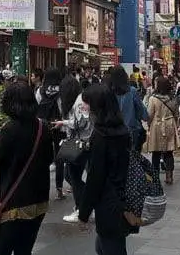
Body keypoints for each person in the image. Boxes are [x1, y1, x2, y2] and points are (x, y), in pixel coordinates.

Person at [0, 82, 53, 255]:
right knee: (25, 249)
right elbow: (49, 158)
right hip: (39, 199)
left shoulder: (9, 129)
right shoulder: (43, 127)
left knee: (1, 250)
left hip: (15, 202)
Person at [78, 84, 135, 255]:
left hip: (107, 202)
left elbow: (95, 177)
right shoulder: (123, 131)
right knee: (107, 245)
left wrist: (84, 213)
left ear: (97, 105)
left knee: (110, 245)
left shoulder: (101, 136)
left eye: (87, 102)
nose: (84, 106)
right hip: (123, 197)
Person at [54, 81, 94, 222]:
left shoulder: (78, 102)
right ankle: (86, 205)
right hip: (85, 143)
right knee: (73, 176)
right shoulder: (81, 99)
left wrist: (64, 122)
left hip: (80, 144)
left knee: (73, 176)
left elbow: (80, 123)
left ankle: (81, 209)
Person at [36, 68, 64, 199]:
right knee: (59, 159)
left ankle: (42, 188)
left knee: (43, 158)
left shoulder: (41, 90)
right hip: (58, 126)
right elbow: (62, 108)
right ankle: (59, 189)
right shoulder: (62, 91)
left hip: (43, 126)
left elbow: (37, 106)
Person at [146, 76, 179, 184]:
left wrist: (148, 125)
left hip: (157, 126)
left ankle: (155, 176)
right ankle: (169, 176)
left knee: (156, 152)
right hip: (169, 124)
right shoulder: (172, 98)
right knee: (169, 152)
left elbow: (150, 114)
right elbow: (176, 113)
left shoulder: (153, 98)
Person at [109, 65, 148, 149]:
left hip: (112, 132)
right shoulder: (132, 91)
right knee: (131, 157)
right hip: (131, 131)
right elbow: (142, 112)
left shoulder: (108, 92)